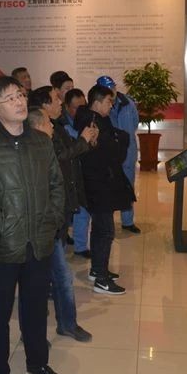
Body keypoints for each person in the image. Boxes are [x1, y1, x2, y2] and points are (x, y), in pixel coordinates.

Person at [0, 76, 66, 374]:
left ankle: (38, 364)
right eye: (10, 98)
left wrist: (51, 222)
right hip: (2, 246)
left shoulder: (41, 142)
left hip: (38, 243)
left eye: (20, 95)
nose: (19, 102)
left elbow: (56, 185)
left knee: (36, 309)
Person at [28, 87, 96, 342]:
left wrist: (87, 141)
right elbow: (61, 158)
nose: (61, 102)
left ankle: (62, 325)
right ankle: (47, 330)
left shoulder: (57, 127)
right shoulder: (33, 144)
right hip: (43, 222)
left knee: (56, 276)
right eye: (56, 99)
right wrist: (82, 141)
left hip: (57, 215)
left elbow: (69, 159)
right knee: (56, 277)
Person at [75, 84, 136, 295]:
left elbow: (114, 144)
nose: (112, 106)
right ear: (97, 102)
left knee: (101, 229)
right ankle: (101, 279)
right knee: (105, 231)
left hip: (100, 182)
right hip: (99, 184)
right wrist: (122, 139)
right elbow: (114, 153)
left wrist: (119, 139)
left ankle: (97, 270)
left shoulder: (96, 119)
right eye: (109, 102)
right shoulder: (92, 123)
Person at [97, 75, 141, 234]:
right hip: (109, 153)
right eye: (107, 89)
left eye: (112, 88)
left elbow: (135, 123)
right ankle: (108, 222)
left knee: (128, 186)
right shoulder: (99, 106)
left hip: (128, 152)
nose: (111, 92)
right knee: (109, 186)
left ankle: (128, 221)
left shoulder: (128, 103)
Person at [63, 88, 91, 257]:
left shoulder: (88, 120)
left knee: (82, 209)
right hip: (67, 176)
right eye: (76, 108)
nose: (80, 111)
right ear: (67, 107)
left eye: (83, 107)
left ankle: (80, 246)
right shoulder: (61, 125)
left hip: (82, 174)